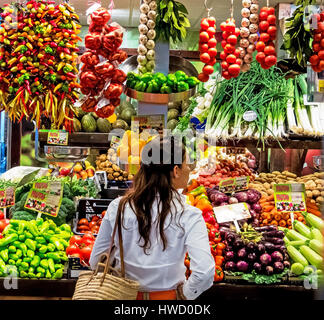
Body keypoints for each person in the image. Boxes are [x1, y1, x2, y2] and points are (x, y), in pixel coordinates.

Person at [89, 136, 215, 300]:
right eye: (186, 164)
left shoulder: (118, 207)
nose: (188, 169)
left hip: (123, 297)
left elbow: (96, 261)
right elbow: (204, 272)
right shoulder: (189, 215)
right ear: (176, 171)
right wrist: (185, 294)